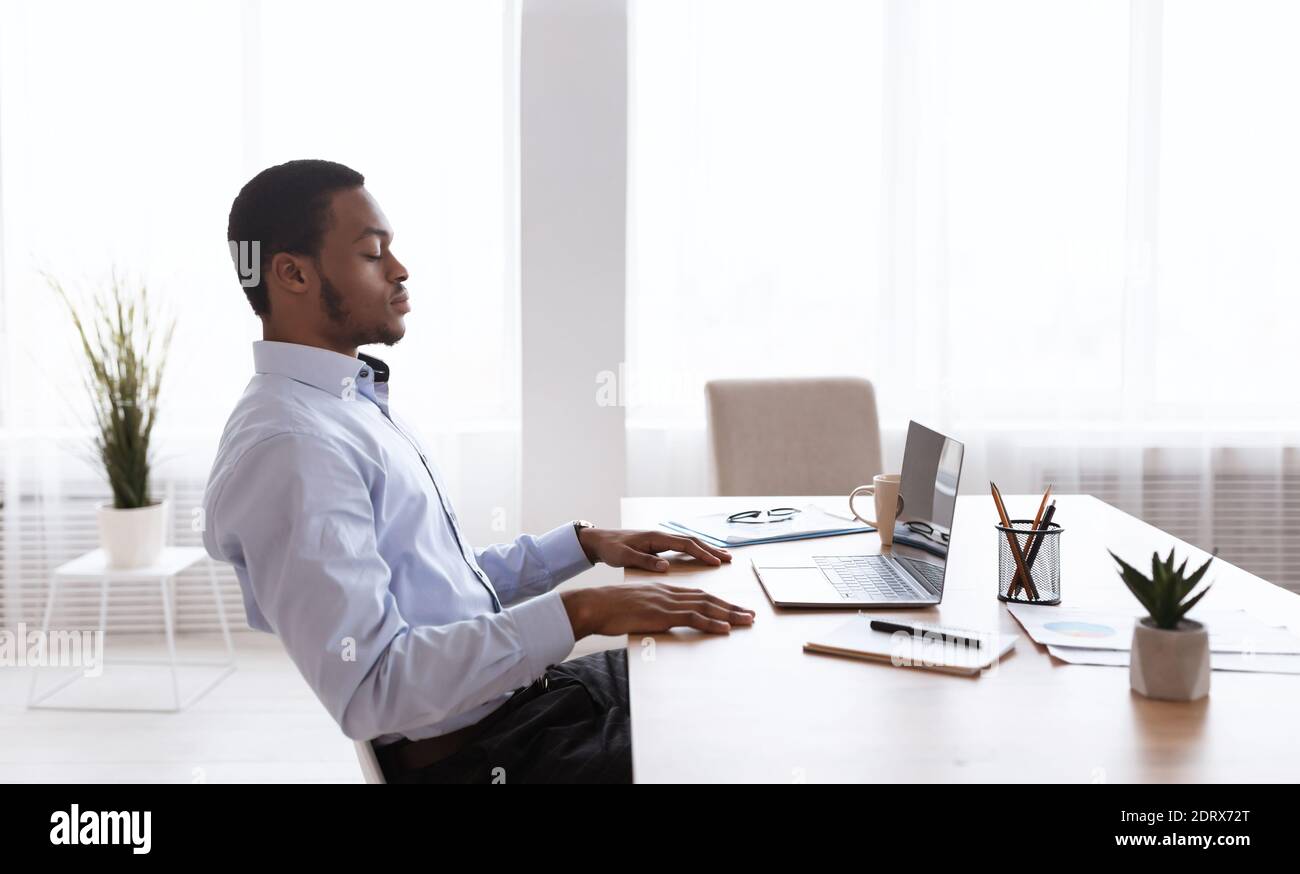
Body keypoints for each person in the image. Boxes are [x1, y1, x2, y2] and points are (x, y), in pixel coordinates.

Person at [203, 159, 755, 783]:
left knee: (736, 670)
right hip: (491, 758)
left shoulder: (340, 406)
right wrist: (583, 613)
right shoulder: (291, 448)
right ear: (292, 272)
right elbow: (374, 688)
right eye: (371, 253)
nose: (400, 269)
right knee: (747, 742)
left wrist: (579, 546)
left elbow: (439, 594)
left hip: (528, 710)